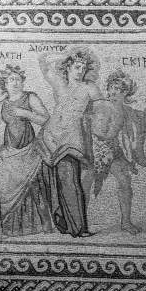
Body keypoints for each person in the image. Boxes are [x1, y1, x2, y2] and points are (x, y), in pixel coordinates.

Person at [35, 49, 103, 237]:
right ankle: (60, 224)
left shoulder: (90, 87)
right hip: (50, 136)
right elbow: (43, 61)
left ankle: (78, 227)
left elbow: (102, 111)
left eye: (83, 67)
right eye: (76, 67)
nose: (80, 71)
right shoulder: (59, 82)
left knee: (70, 182)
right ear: (68, 67)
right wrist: (65, 56)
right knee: (49, 182)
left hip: (72, 139)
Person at [85, 70, 146, 234]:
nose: (113, 92)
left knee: (125, 183)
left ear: (126, 92)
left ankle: (126, 222)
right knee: (85, 184)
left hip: (113, 151)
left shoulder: (128, 112)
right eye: (111, 88)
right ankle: (79, 223)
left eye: (118, 89)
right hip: (92, 150)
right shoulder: (99, 104)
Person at [0, 64, 53, 236]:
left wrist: (25, 113)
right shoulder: (1, 106)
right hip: (9, 155)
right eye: (11, 80)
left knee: (35, 188)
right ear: (4, 84)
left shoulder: (30, 98)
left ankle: (41, 227)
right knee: (6, 192)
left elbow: (46, 120)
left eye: (17, 79)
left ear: (22, 82)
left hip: (30, 153)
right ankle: (12, 229)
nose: (15, 83)